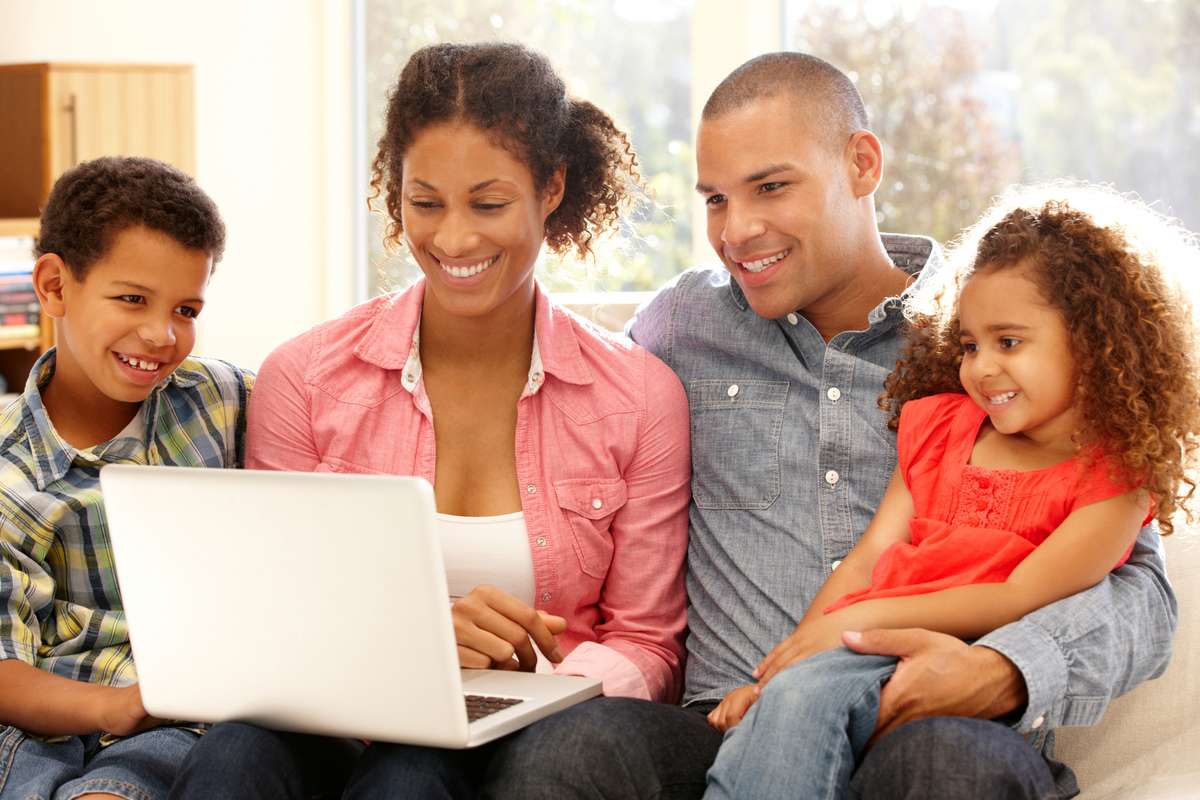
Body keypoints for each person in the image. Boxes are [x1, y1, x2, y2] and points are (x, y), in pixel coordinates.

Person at [473, 52, 1177, 800]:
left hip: (936, 720)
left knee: (948, 772)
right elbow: (561, 427)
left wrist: (1008, 669)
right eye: (715, 199)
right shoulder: (683, 327)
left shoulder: (988, 340)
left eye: (771, 186)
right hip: (730, 722)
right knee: (571, 751)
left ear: (862, 163)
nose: (737, 229)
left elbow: (1142, 597)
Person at [167, 42, 691, 799]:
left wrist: (528, 686)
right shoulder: (307, 378)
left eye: (488, 203)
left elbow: (647, 644)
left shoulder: (638, 398)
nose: (452, 239)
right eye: (425, 202)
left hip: (535, 727)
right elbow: (276, 620)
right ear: (394, 193)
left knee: (408, 778)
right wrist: (411, 644)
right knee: (232, 758)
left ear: (551, 189)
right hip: (341, 717)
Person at [702, 183, 1200, 798]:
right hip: (855, 651)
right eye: (969, 344)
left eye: (1009, 342)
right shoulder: (944, 426)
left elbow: (1015, 596)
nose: (982, 367)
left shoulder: (1114, 482)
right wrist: (791, 660)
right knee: (783, 714)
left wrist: (869, 620)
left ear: (1096, 343)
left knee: (805, 711)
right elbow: (870, 557)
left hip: (960, 679)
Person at [0, 156, 253, 800]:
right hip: (30, 719)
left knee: (120, 788)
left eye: (187, 308)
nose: (161, 335)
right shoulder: (9, 467)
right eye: (132, 299)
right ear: (55, 286)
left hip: (172, 719)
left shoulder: (221, 401)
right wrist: (111, 707)